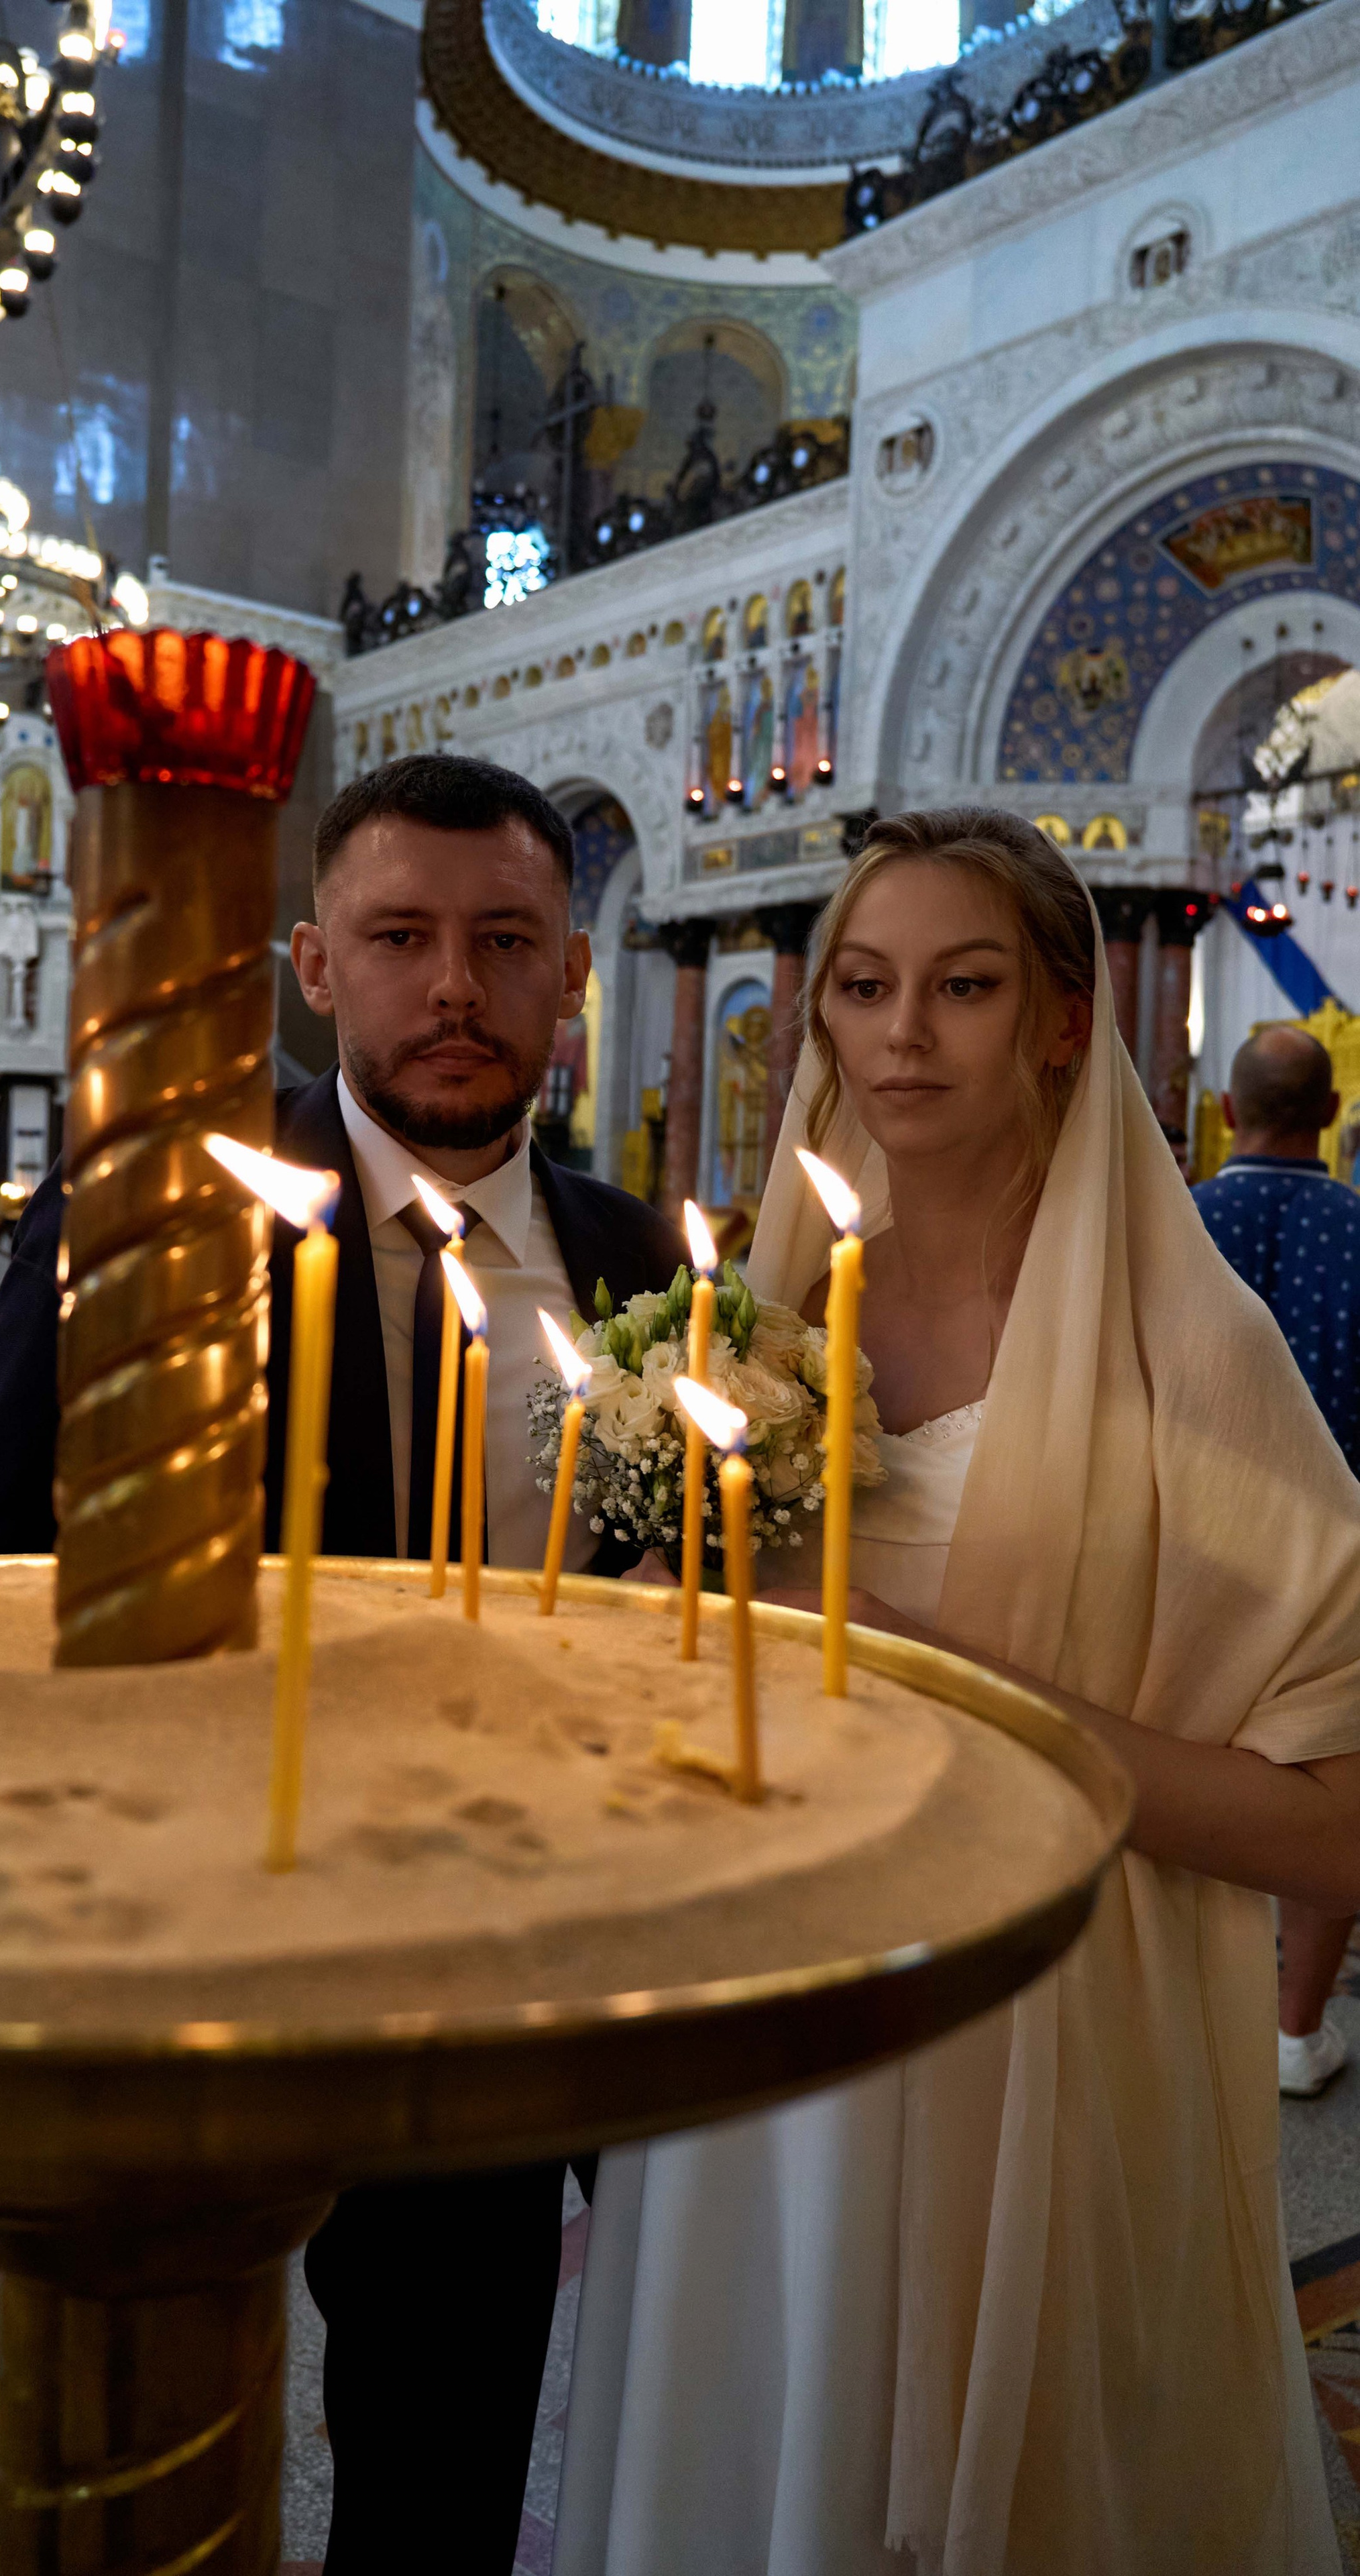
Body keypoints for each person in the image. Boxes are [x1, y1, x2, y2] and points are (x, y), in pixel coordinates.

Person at [555, 809, 1360, 2576]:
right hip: (765, 2024)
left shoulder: (1190, 1352)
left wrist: (977, 1704)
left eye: (965, 985)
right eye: (864, 986)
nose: (904, 1031)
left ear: (1064, 1019)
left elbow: (1337, 1819)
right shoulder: (759, 1320)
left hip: (1043, 2034)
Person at [0, 752, 685, 2575]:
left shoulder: (636, 1262)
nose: (457, 988)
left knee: (442, 2470)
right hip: (207, 1945)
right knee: (144, 2476)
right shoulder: (165, 1210)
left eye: (507, 941)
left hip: (519, 1983)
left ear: (574, 975)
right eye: (404, 938)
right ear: (311, 965)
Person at [1192, 1024, 1360, 2098]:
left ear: (1223, 1112)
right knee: (1325, 1778)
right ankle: (1295, 2033)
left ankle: (1182, 2000)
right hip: (1335, 1554)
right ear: (1336, 1115)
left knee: (1177, 1775)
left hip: (1185, 1550)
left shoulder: (1171, 1223)